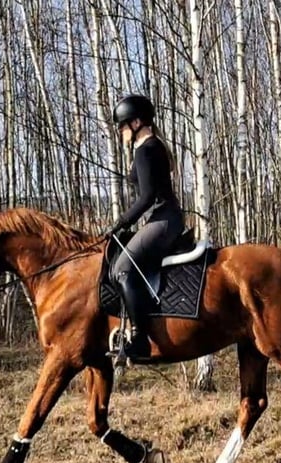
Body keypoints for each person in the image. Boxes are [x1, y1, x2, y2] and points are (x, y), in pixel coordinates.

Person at [105, 94, 185, 359]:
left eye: (123, 125)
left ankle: (139, 337)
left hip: (163, 219)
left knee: (122, 268)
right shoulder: (150, 147)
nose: (120, 131)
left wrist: (121, 222)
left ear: (137, 122)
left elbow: (147, 197)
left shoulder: (146, 149)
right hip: (164, 217)